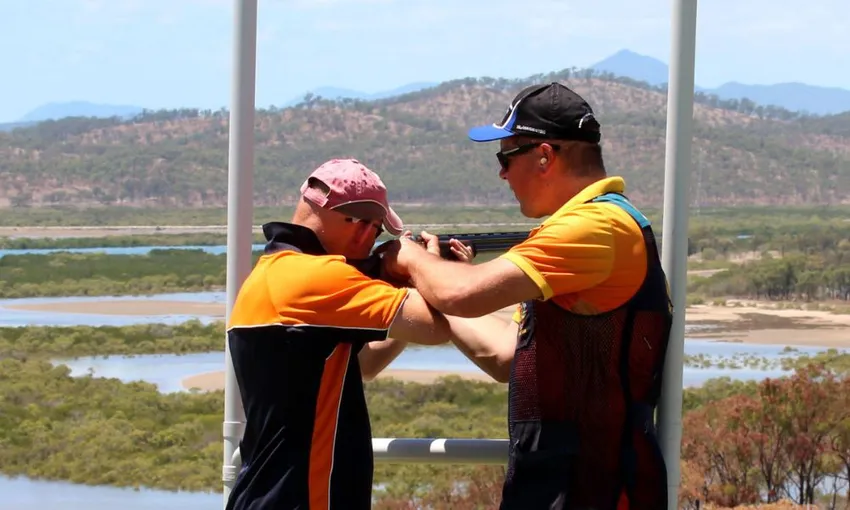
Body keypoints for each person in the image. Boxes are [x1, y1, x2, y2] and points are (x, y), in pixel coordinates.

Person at [382, 83, 674, 510]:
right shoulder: (590, 226)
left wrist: (408, 259)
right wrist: (436, 278)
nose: (501, 174)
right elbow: (507, 355)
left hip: (595, 490)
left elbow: (462, 295)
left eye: (505, 158)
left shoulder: (593, 228)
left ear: (544, 156)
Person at [224, 158, 470, 510]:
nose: (372, 240)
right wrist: (425, 267)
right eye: (376, 230)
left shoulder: (271, 274)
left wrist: (397, 293)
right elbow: (435, 327)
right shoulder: (318, 276)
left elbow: (363, 364)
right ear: (362, 226)